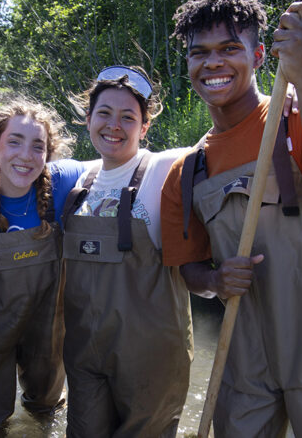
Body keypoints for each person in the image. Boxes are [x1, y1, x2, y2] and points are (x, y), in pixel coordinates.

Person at [161, 0, 302, 437]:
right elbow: (189, 269)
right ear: (187, 65)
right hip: (243, 363)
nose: (213, 63)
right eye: (199, 53)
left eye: (229, 49)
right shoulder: (187, 172)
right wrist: (215, 281)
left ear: (259, 55)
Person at [61, 66, 193, 437]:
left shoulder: (163, 167)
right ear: (88, 120)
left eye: (128, 117)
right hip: (85, 355)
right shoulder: (77, 181)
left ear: (145, 127)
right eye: (104, 113)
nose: (113, 125)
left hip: (150, 359)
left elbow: (224, 141)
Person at [0, 100, 84, 431]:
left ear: (48, 153)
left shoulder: (65, 181)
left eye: (38, 146)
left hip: (46, 325)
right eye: (14, 141)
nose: (26, 155)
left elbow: (123, 162)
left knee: (45, 409)